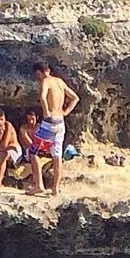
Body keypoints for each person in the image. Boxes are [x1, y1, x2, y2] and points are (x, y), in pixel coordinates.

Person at [29, 59, 80, 197]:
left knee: (33, 152)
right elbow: (75, 98)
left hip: (49, 123)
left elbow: (43, 97)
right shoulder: (59, 82)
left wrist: (46, 111)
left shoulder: (46, 81)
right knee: (57, 155)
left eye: (37, 75)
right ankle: (55, 189)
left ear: (39, 73)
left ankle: (39, 185)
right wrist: (66, 112)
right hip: (60, 122)